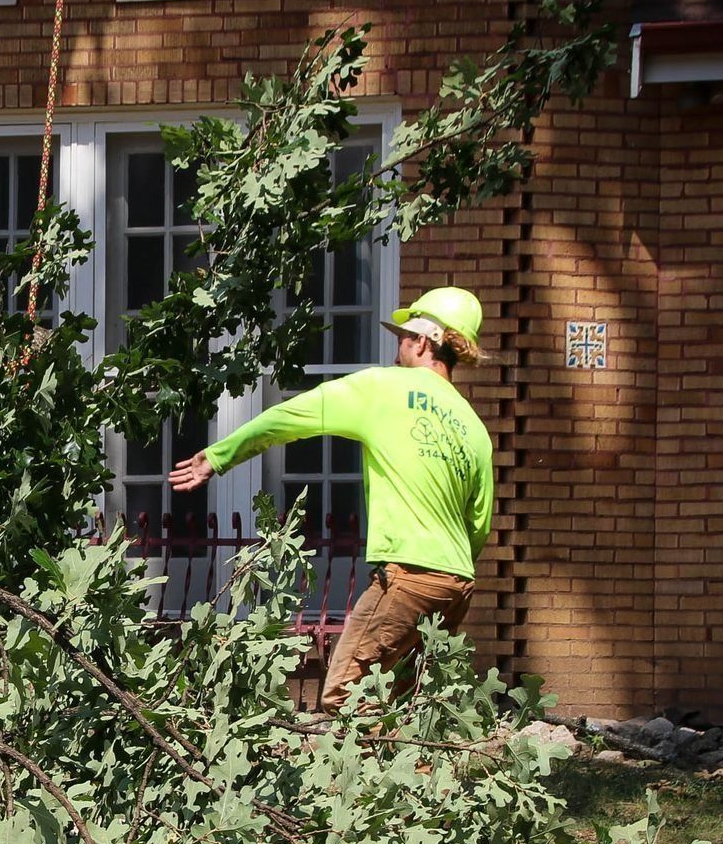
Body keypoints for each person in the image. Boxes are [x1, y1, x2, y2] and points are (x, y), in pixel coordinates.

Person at [169, 287, 494, 711]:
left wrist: (218, 456)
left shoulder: (383, 387)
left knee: (346, 695)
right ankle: (419, 769)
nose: (398, 344)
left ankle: (369, 777)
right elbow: (479, 522)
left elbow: (290, 417)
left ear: (423, 341)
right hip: (456, 582)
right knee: (403, 700)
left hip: (410, 573)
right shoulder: (472, 425)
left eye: (404, 335)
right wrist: (451, 565)